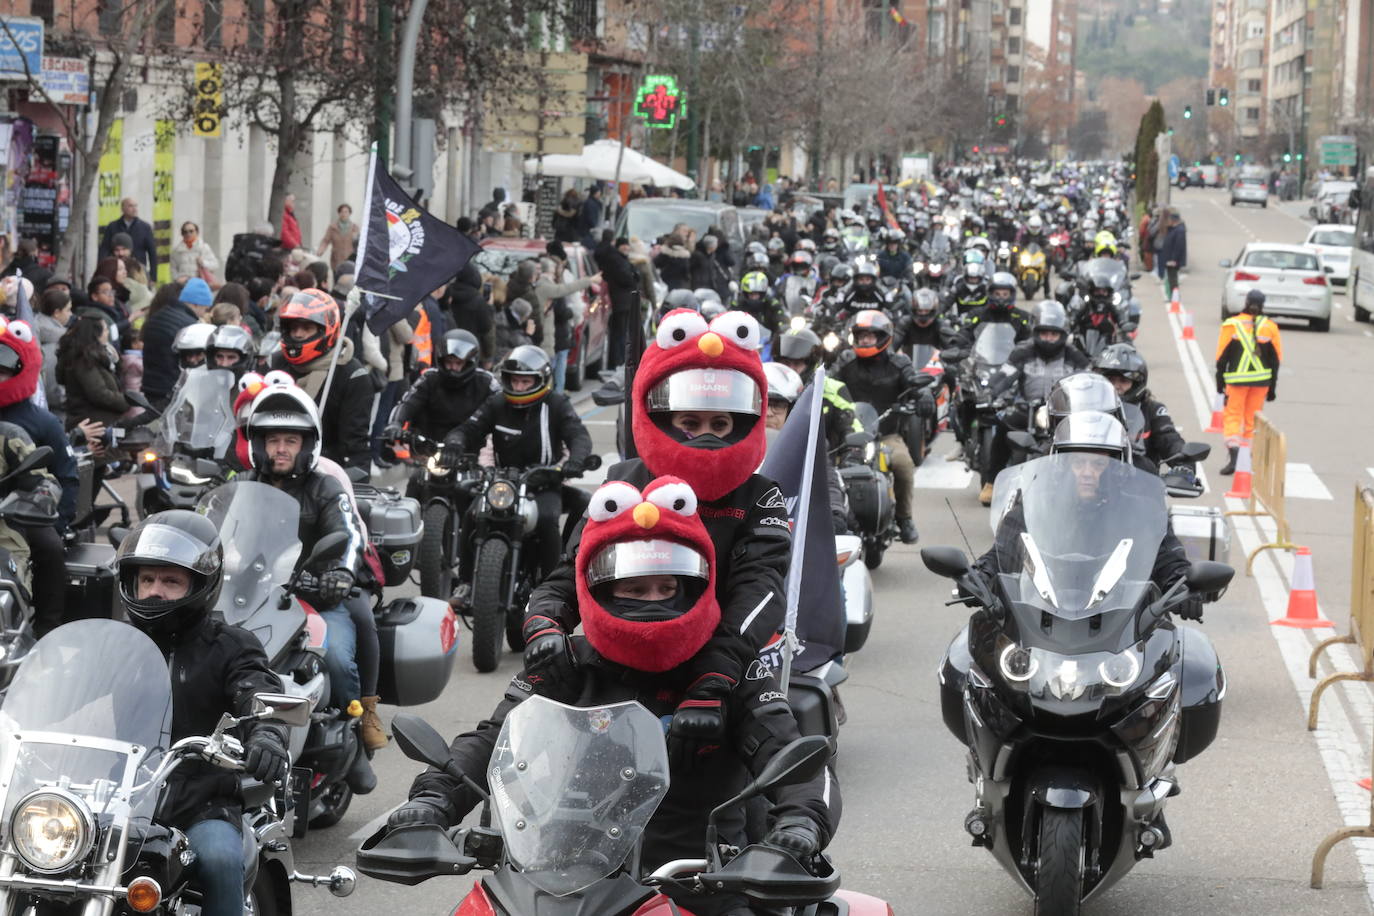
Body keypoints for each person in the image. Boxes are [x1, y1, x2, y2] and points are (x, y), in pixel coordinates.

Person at [388, 477, 838, 916]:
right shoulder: (568, 665)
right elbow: (492, 740)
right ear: (600, 591)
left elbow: (796, 760)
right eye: (634, 589)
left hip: (699, 884)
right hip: (554, 880)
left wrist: (800, 823)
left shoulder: (727, 679)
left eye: (669, 588)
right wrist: (434, 798)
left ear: (696, 591)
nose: (654, 600)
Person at [525, 311, 792, 760]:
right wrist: (544, 623)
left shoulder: (761, 497)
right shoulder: (624, 482)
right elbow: (575, 568)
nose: (705, 435)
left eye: (719, 424)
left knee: (767, 762)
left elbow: (759, 591)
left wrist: (714, 678)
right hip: (618, 656)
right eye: (690, 422)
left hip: (723, 664)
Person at [114, 511, 291, 916]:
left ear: (200, 585)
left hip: (200, 805)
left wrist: (266, 733)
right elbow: (69, 692)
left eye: (171, 581)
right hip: (117, 799)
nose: (155, 591)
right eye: (147, 580)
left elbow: (258, 690)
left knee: (219, 860)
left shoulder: (230, 645)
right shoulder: (117, 643)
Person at [240, 383, 386, 750]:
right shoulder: (243, 484)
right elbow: (215, 527)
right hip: (253, 593)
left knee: (336, 654)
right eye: (273, 440)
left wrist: (341, 574)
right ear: (259, 444)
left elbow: (350, 536)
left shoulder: (325, 488)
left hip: (315, 592)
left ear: (307, 445)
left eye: (291, 440)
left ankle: (358, 718)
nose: (282, 448)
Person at [973, 410, 1200, 619]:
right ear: (1061, 465)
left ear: (1116, 468)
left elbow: (1168, 556)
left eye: (1099, 464)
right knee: (968, 652)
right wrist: (981, 573)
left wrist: (1182, 583)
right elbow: (1002, 553)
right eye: (1078, 463)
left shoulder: (1142, 511)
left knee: (1191, 657)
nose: (1088, 473)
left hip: (1126, 623)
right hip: (1041, 619)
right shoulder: (1037, 505)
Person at [444, 346, 592, 582]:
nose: (519, 387)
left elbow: (578, 435)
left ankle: (552, 583)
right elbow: (469, 428)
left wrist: (576, 460)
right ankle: (464, 583)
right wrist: (454, 443)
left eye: (525, 381)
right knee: (473, 515)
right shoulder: (497, 403)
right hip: (501, 482)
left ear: (541, 379)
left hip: (543, 482)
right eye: (514, 381)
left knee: (547, 520)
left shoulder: (556, 404)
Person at [975, 300, 1089, 504]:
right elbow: (1005, 375)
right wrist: (989, 392)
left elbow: (1089, 379)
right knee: (1003, 426)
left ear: (1062, 334)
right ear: (1035, 331)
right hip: (1027, 409)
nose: (1049, 339)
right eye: (1044, 333)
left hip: (1064, 414)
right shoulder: (1023, 352)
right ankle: (991, 482)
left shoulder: (1074, 355)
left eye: (1054, 334)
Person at [832, 310, 931, 542]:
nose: (865, 339)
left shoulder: (900, 362)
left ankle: (904, 518)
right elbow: (827, 381)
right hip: (849, 435)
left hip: (886, 434)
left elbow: (914, 382)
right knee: (829, 470)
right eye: (861, 335)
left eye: (871, 335)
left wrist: (924, 394)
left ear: (884, 337)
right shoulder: (846, 361)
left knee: (904, 465)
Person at [268, 288, 375, 473]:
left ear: (326, 330)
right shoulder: (276, 363)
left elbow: (355, 445)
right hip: (272, 468)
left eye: (307, 328)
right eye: (294, 328)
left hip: (324, 473)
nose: (299, 334)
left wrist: (349, 486)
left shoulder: (351, 375)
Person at [385, 329, 497, 452]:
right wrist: (396, 423)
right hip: (431, 447)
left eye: (458, 363)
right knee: (416, 470)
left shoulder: (487, 382)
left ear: (469, 362)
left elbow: (500, 409)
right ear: (441, 360)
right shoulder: (429, 377)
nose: (453, 368)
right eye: (449, 362)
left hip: (471, 449)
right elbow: (408, 403)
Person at [1093, 343, 1192, 476]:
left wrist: (1184, 465)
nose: (1116, 386)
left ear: (1136, 383)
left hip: (1141, 485)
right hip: (1091, 480)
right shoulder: (1086, 406)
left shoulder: (1153, 410)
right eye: (1110, 379)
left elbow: (1170, 439)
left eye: (1123, 381)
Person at [1215, 289, 1281, 475]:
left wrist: (1219, 382)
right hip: (1261, 382)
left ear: (1246, 302)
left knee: (1233, 416)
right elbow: (1276, 360)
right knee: (1252, 420)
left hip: (1236, 381)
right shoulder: (1270, 327)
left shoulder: (1231, 325)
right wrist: (1272, 387)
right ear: (1262, 305)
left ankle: (1234, 455)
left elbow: (1221, 357)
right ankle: (1248, 458)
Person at [142, 277, 213, 407]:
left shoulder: (158, 316)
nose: (203, 314)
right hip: (171, 390)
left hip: (151, 386)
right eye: (205, 309)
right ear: (196, 304)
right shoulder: (189, 326)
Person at [55, 315, 128, 431]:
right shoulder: (84, 361)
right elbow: (99, 394)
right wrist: (126, 401)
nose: (107, 333)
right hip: (94, 425)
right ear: (95, 334)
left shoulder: (94, 357)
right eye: (105, 330)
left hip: (99, 421)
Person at [595, 234, 640, 372]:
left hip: (623, 302)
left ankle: (618, 362)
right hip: (621, 303)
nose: (626, 247)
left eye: (627, 245)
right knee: (620, 334)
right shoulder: (617, 260)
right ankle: (617, 363)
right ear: (618, 246)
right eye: (623, 245)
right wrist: (633, 276)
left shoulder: (621, 260)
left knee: (620, 334)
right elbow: (628, 279)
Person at [953, 270, 1031, 347]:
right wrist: (955, 345)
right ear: (990, 294)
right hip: (981, 357)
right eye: (997, 294)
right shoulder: (976, 315)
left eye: (1005, 294)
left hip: (1014, 357)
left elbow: (1031, 340)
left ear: (1012, 295)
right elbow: (964, 334)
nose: (1001, 298)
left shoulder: (1023, 317)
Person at [99, 197, 157, 275]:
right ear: (123, 209)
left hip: (137, 271)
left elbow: (152, 253)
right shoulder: (112, 227)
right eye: (130, 206)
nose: (134, 209)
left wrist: (153, 276)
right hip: (117, 271)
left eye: (136, 206)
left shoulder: (145, 227)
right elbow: (104, 250)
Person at [36, 288, 71, 409]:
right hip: (55, 408)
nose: (70, 314)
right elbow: (53, 387)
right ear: (57, 312)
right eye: (68, 310)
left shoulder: (33, 327)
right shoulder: (57, 342)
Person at [315, 204, 359, 271]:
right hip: (336, 260)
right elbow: (325, 241)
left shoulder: (354, 228)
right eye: (341, 212)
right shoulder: (332, 227)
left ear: (350, 213)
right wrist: (320, 250)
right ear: (339, 213)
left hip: (351, 261)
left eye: (346, 212)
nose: (344, 214)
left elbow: (358, 243)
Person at [1158, 209, 1187, 298]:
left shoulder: (1179, 230)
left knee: (1173, 279)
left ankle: (1175, 297)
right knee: (1171, 279)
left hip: (1173, 260)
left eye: (1169, 220)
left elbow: (1178, 247)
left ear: (1174, 220)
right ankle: (1174, 296)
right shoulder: (1174, 229)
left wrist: (1174, 259)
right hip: (1170, 259)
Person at [578, 183, 603, 249]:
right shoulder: (591, 203)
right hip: (588, 231)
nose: (600, 194)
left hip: (587, 230)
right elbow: (591, 218)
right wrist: (595, 227)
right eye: (599, 192)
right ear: (596, 193)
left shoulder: (592, 202)